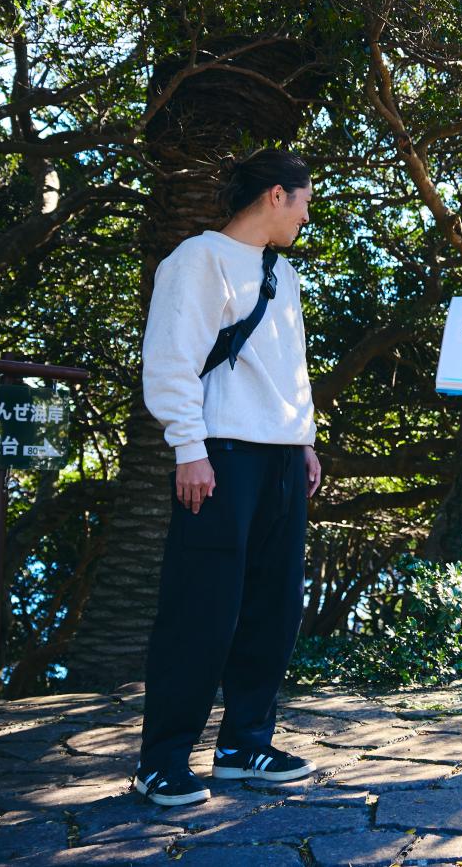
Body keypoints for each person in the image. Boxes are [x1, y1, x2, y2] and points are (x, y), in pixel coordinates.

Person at [133, 148, 324, 807]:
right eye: (304, 199)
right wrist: (189, 446)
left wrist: (304, 440)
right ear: (276, 195)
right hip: (219, 457)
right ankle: (162, 759)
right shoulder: (197, 259)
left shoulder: (285, 273)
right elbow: (170, 359)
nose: (307, 213)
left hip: (280, 460)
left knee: (274, 609)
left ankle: (245, 744)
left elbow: (289, 367)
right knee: (201, 608)